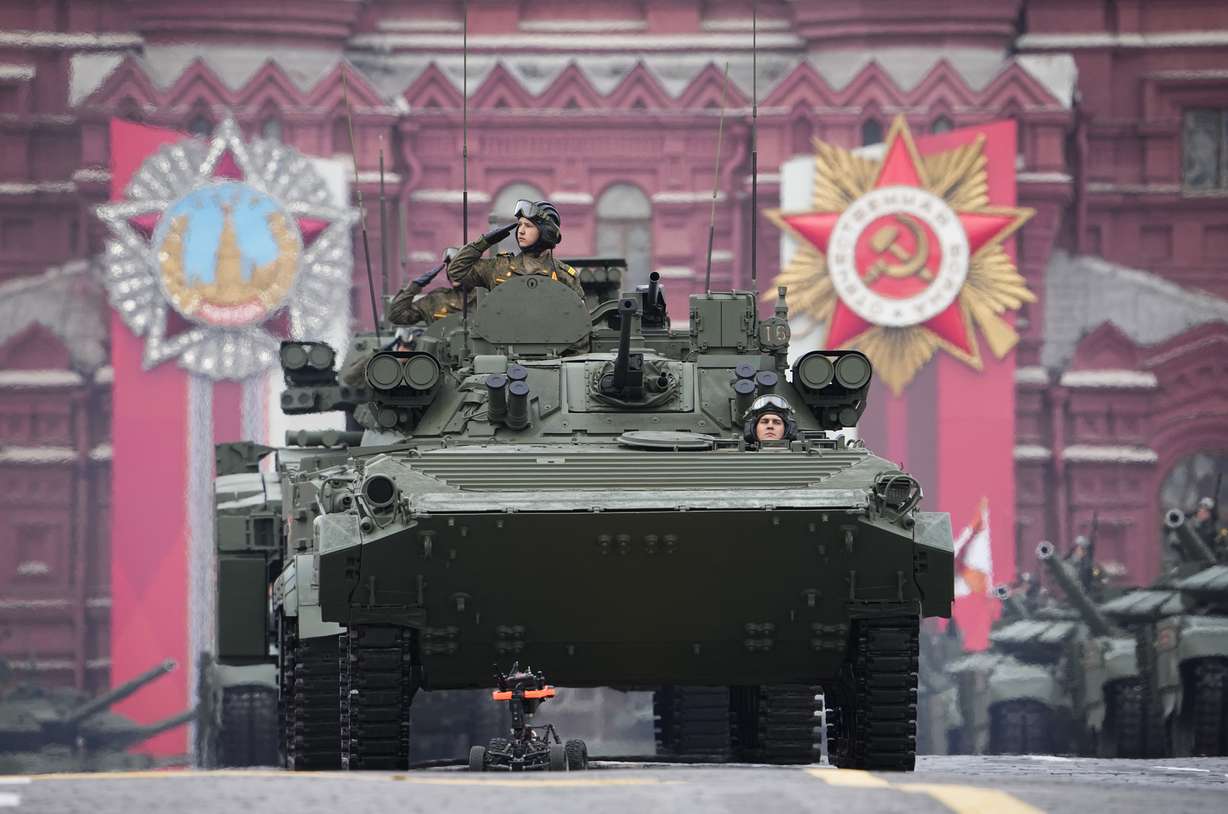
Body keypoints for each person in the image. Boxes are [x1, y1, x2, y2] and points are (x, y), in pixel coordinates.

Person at [446, 199, 584, 298]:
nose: (521, 231)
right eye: (520, 225)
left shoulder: (564, 276)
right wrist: (484, 242)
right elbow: (456, 270)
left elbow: (578, 321)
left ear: (547, 233)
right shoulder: (499, 267)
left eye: (528, 226)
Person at [386, 246, 469, 326]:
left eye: (459, 267)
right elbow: (396, 316)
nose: (453, 272)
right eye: (450, 267)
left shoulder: (480, 297)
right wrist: (416, 285)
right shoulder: (438, 299)